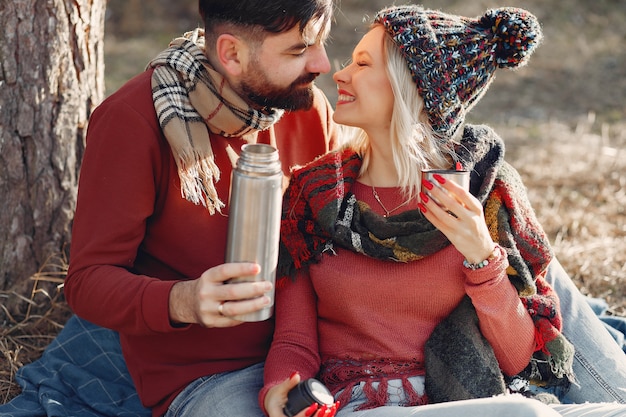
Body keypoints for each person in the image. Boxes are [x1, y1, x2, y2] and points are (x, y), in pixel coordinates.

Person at [261, 5, 626, 417]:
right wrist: (280, 388)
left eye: (363, 64)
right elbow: (293, 340)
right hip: (366, 405)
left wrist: (482, 256)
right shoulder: (316, 197)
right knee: (526, 416)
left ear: (413, 90)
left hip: (474, 395)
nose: (340, 74)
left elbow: (519, 360)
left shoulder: (484, 196)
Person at [59, 1, 336, 416]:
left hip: (320, 351)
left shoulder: (303, 106)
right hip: (212, 376)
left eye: (321, 44)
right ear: (231, 54)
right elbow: (87, 281)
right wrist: (183, 301)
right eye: (298, 51)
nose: (323, 64)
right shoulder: (132, 120)